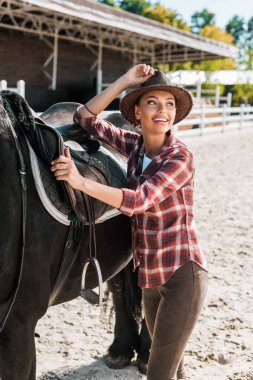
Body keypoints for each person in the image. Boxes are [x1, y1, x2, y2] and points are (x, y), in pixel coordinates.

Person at [51, 64, 208, 380]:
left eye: (169, 104)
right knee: (174, 367)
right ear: (137, 112)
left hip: (182, 275)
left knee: (158, 373)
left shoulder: (179, 157)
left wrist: (80, 182)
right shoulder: (134, 146)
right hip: (150, 277)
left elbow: (139, 201)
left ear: (175, 114)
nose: (162, 110)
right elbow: (84, 118)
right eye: (152, 102)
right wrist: (124, 81)